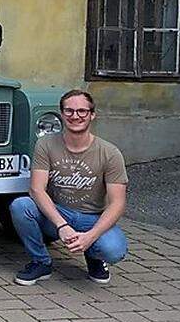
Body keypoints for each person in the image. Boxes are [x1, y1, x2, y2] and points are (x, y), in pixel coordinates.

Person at [10, 89, 127, 286]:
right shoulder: (45, 144)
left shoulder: (110, 152)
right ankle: (41, 261)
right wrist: (62, 225)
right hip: (58, 213)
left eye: (82, 111)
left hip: (92, 217)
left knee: (113, 250)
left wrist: (91, 236)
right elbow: (36, 190)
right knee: (21, 206)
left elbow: (118, 203)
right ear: (62, 114)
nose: (76, 116)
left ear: (92, 114)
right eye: (69, 111)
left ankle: (94, 257)